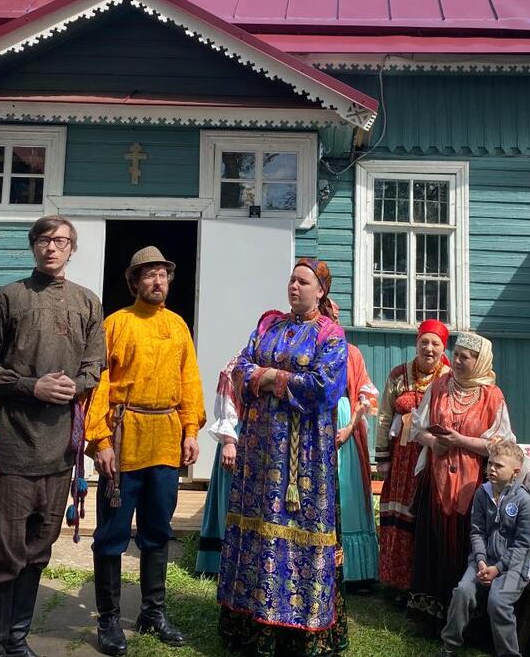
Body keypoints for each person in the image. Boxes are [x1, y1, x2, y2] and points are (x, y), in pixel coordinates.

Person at [0, 216, 106, 657]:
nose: (52, 248)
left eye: (62, 241)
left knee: (38, 551)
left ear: (73, 249)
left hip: (61, 450)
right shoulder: (5, 299)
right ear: (33, 245)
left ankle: (17, 638)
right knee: (5, 554)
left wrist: (76, 386)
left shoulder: (88, 302)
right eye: (45, 240)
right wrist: (33, 386)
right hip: (13, 445)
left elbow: (95, 363)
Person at [217, 258, 350, 654]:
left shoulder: (330, 336)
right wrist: (266, 377)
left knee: (296, 525)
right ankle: (251, 622)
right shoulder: (268, 326)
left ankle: (297, 630)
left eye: (303, 281)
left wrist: (272, 377)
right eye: (291, 279)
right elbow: (239, 367)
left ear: (320, 291)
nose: (294, 286)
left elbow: (325, 387)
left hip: (303, 457)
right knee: (257, 525)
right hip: (259, 451)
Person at [85, 246, 205, 654]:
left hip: (166, 440)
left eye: (163, 275)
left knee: (157, 532)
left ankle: (153, 613)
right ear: (134, 282)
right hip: (124, 440)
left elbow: (190, 380)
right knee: (113, 534)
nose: (158, 282)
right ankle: (109, 620)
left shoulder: (178, 326)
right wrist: (100, 440)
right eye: (149, 275)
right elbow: (99, 384)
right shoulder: (116, 324)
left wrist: (191, 429)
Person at [409, 331, 515, 623]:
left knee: (471, 541)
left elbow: (501, 443)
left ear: (479, 362)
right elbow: (416, 428)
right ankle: (433, 611)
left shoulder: (492, 396)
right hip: (438, 479)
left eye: (464, 358)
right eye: (455, 355)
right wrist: (433, 442)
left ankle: (469, 614)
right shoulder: (440, 386)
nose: (455, 361)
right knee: (436, 540)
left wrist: (460, 441)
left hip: (474, 484)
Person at [437, 440, 530, 657]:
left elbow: (524, 545)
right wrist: (481, 560)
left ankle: (508, 653)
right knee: (462, 592)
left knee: (498, 602)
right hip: (484, 560)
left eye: (498, 466)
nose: (491, 468)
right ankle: (450, 645)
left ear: (515, 472)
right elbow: (477, 532)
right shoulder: (482, 493)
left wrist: (499, 568)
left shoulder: (524, 501)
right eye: (490, 463)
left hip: (515, 564)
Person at [376, 319, 451, 593]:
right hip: (402, 457)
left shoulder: (450, 377)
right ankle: (394, 581)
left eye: (435, 344)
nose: (428, 349)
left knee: (424, 515)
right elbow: (385, 415)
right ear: (416, 344)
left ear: (444, 348)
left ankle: (420, 583)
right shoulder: (399, 374)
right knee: (397, 515)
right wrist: (383, 457)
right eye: (424, 342)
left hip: (433, 456)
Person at [336, 343, 380, 585]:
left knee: (349, 489)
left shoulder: (350, 352)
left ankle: (355, 571)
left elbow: (366, 392)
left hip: (345, 422)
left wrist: (350, 426)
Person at [195, 354, 241, 577]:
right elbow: (227, 404)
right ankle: (222, 562)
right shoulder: (239, 363)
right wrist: (229, 442)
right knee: (229, 497)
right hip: (236, 434)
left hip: (262, 438)